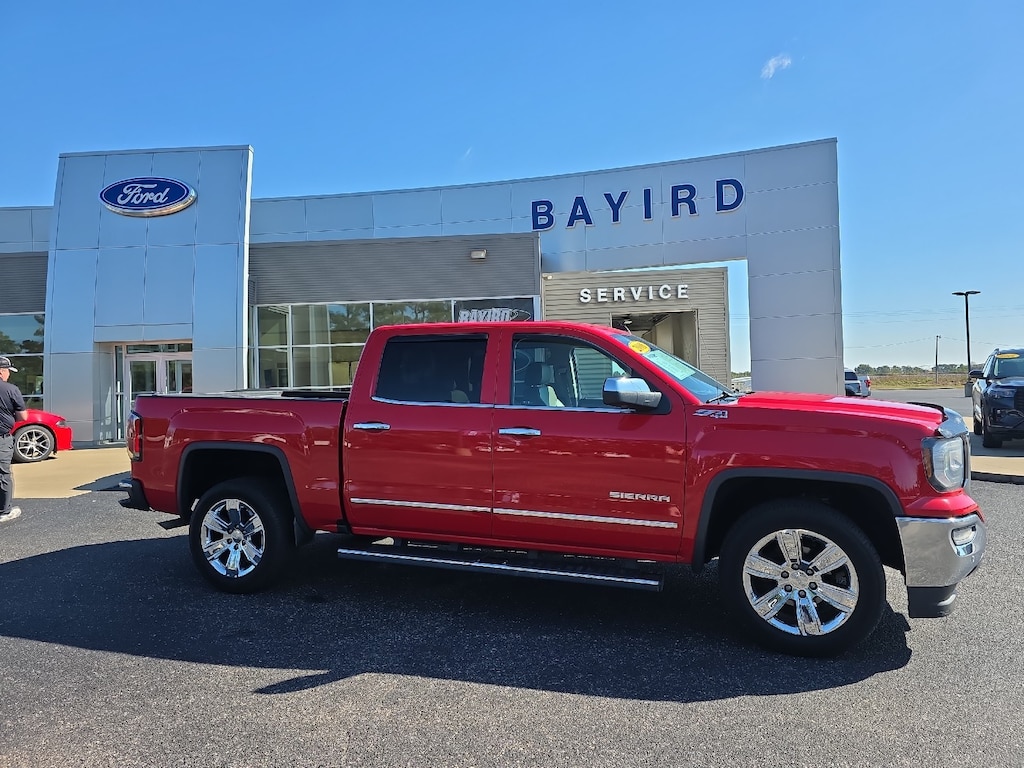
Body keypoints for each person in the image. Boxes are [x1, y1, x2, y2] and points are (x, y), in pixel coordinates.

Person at [0, 356, 27, 522]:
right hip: (2, 438)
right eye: (8, 371)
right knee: (3, 474)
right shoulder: (11, 389)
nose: (9, 374)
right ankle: (5, 511)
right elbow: (23, 416)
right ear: (1, 372)